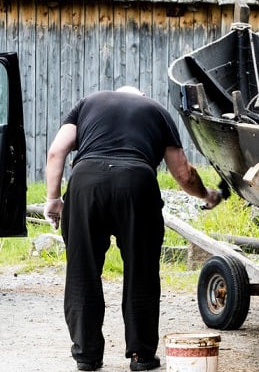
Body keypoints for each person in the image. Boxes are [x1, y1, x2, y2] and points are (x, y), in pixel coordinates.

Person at [43, 86, 222, 371]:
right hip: (137, 184)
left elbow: (56, 152)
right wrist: (206, 194)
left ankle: (86, 356)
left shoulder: (87, 104)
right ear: (140, 99)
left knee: (82, 271)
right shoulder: (157, 112)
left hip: (86, 182)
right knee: (142, 272)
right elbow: (183, 172)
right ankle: (141, 356)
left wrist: (53, 200)